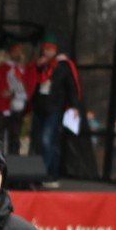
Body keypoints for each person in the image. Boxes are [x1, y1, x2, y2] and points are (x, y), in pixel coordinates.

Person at [29, 36, 82, 186]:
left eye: (50, 49)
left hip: (54, 107)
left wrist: (74, 106)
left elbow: (72, 86)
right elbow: (31, 82)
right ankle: (47, 174)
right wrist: (37, 67)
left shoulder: (63, 65)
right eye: (45, 49)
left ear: (55, 50)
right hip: (40, 106)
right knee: (42, 141)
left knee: (48, 140)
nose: (47, 52)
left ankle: (44, 174)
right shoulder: (41, 65)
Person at [0, 43, 30, 154]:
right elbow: (3, 90)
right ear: (11, 53)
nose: (18, 54)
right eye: (16, 51)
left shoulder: (23, 70)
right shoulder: (4, 68)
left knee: (15, 134)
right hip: (3, 106)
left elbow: (26, 84)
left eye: (20, 51)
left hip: (17, 107)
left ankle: (13, 158)